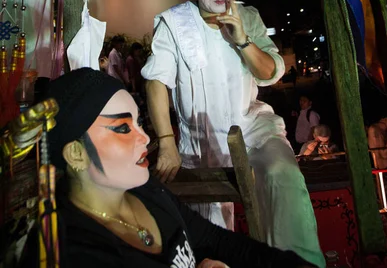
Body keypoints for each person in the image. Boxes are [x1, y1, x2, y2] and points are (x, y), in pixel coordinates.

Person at [20, 68, 314, 268]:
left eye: (139, 121)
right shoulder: (67, 251)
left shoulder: (148, 191)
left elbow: (215, 240)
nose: (145, 137)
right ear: (75, 153)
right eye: (123, 128)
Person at [142, 0, 325, 268]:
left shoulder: (248, 16)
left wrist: (242, 40)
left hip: (249, 125)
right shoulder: (173, 22)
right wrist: (167, 141)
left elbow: (269, 74)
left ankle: (296, 262)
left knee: (281, 172)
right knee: (213, 234)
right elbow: (156, 81)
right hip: (200, 136)